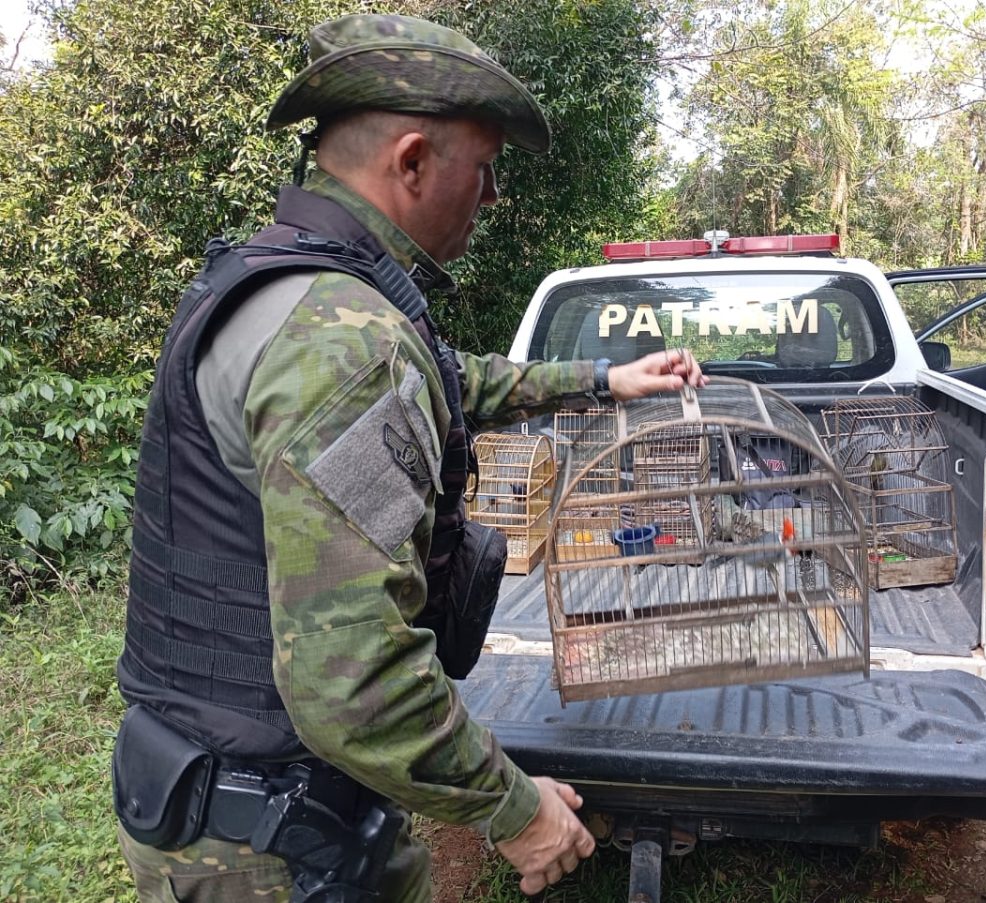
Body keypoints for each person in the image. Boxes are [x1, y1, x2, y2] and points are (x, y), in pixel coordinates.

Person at [110, 14, 707, 903]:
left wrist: (602, 377)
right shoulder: (343, 343)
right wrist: (518, 809)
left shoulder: (284, 287)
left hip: (224, 794)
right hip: (275, 845)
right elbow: (355, 679)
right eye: (487, 166)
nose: (494, 196)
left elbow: (442, 376)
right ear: (415, 161)